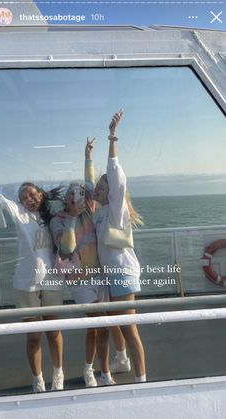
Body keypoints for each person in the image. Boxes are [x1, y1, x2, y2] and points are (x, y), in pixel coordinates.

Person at [50, 140, 115, 387]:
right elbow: (65, 248)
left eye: (80, 194)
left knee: (104, 326)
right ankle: (90, 370)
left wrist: (88, 155)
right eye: (72, 195)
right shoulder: (58, 221)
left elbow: (90, 182)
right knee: (94, 323)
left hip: (99, 276)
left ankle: (103, 370)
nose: (78, 197)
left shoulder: (90, 209)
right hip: (80, 282)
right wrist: (72, 219)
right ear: (66, 200)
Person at [0, 183, 64, 392]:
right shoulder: (19, 213)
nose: (29, 199)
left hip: (53, 282)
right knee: (33, 336)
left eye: (32, 194)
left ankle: (58, 373)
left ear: (40, 194)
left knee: (53, 331)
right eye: (24, 197)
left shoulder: (54, 217)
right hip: (26, 284)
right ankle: (38, 379)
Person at [93, 111, 146, 383]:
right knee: (112, 324)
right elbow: (93, 181)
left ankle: (141, 381)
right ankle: (119, 363)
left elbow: (114, 174)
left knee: (129, 329)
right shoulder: (100, 213)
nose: (97, 189)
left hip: (123, 274)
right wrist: (88, 158)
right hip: (108, 277)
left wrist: (112, 136)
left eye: (101, 186)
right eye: (98, 187)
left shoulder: (116, 209)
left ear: (111, 192)